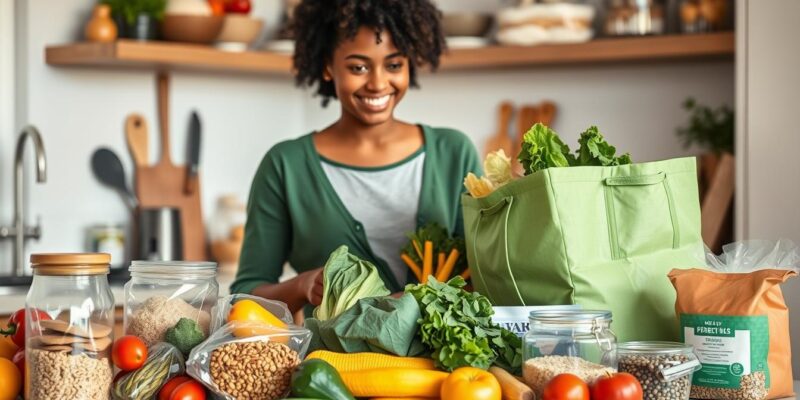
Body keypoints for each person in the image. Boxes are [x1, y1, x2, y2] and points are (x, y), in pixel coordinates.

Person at [231, 0, 481, 314]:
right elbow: (246, 295)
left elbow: (485, 277)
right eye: (358, 67)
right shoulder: (286, 165)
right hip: (333, 362)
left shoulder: (453, 153)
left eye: (393, 65)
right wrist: (301, 286)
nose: (378, 83)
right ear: (327, 66)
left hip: (442, 363)